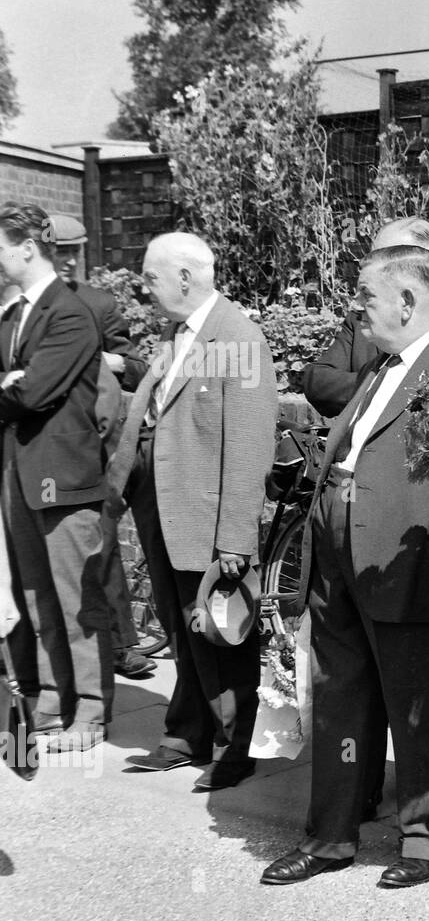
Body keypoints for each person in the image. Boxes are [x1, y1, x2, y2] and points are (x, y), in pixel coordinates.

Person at [261, 245, 429, 887]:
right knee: (340, 698)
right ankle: (331, 837)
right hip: (338, 556)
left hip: (408, 563)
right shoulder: (379, 366)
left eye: (366, 294)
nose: (356, 306)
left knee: (421, 706)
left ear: (408, 301)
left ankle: (425, 842)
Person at [107, 233, 276, 791]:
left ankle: (235, 749)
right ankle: (187, 735)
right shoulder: (177, 332)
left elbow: (250, 444)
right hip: (162, 498)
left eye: (151, 276)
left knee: (219, 633)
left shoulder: (238, 338)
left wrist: (235, 537)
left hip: (206, 512)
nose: (144, 286)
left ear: (184, 277)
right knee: (182, 628)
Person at [0, 202, 115, 746]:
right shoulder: (14, 313)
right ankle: (52, 699)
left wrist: (14, 385)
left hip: (63, 477)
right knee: (35, 594)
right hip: (21, 474)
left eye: (1, 247)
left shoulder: (68, 313)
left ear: (27, 248)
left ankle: (90, 712)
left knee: (76, 600)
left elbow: (32, 391)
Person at [48, 213, 154, 681]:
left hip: (90, 447)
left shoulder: (97, 302)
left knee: (103, 545)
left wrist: (101, 358)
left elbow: (136, 368)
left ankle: (121, 646)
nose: (67, 260)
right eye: (58, 251)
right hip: (33, 447)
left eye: (74, 251)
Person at [301, 216, 429, 420]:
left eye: (390, 257)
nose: (374, 265)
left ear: (427, 266)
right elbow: (318, 381)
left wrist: (378, 385)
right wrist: (383, 384)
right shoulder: (361, 321)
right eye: (374, 256)